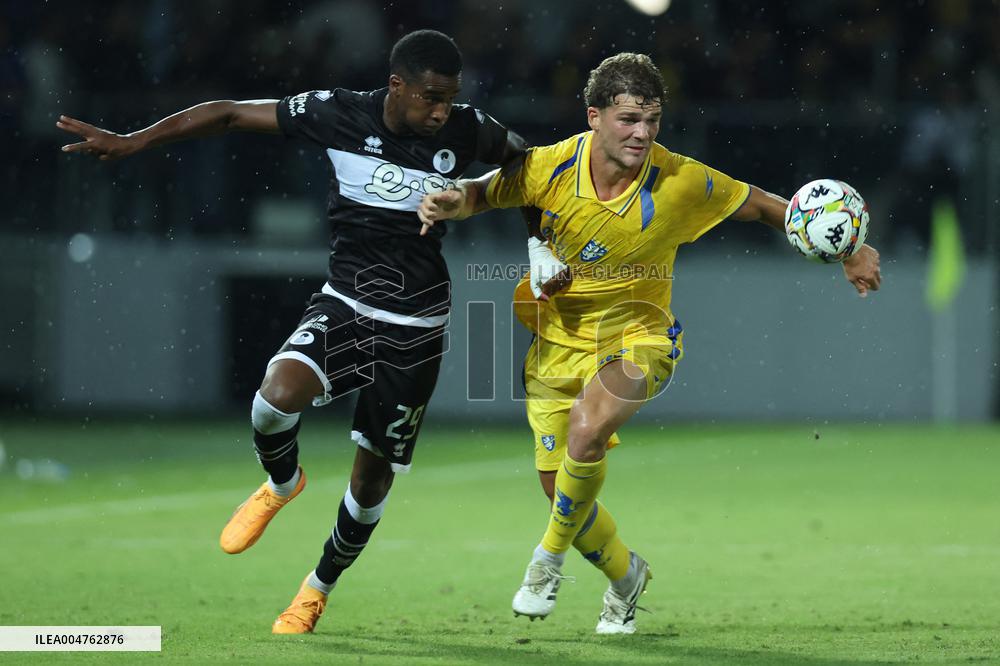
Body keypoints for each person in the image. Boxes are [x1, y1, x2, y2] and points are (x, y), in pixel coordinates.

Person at [58, 29, 529, 634]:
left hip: (417, 323)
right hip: (349, 304)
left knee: (371, 477)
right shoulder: (337, 113)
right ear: (397, 85)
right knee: (273, 400)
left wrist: (504, 219)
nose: (442, 111)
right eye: (431, 97)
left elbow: (531, 165)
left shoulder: (469, 128)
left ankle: (315, 590)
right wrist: (135, 140)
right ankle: (282, 483)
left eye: (450, 97)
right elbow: (227, 113)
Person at [418, 52, 882, 634]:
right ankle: (626, 577)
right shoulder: (553, 166)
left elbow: (766, 206)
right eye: (629, 120)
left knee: (588, 430)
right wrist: (451, 199)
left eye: (653, 120)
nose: (642, 133)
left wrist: (847, 248)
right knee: (561, 488)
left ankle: (546, 561)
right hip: (555, 346)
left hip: (640, 337)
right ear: (594, 116)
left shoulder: (681, 180)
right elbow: (485, 192)